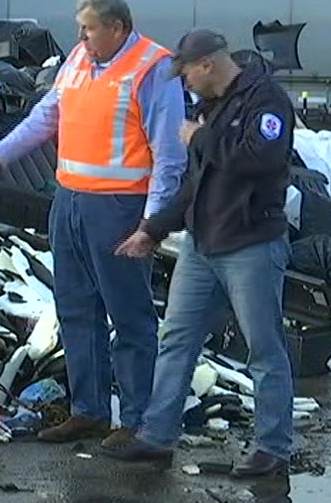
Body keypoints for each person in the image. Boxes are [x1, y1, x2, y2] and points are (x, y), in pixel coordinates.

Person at [0, 0, 187, 447]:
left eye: (89, 28)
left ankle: (136, 420)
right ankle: (89, 411)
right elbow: (45, 118)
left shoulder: (153, 68)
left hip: (120, 207)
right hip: (71, 203)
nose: (80, 36)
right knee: (77, 310)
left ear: (117, 27)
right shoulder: (79, 60)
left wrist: (151, 225)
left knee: (130, 315)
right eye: (80, 27)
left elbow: (170, 157)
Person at [103, 28, 295, 478]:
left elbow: (260, 159)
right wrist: (153, 229)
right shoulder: (211, 107)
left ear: (207, 64)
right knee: (176, 340)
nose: (183, 82)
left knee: (264, 350)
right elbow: (197, 184)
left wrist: (199, 139)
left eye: (186, 72)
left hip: (250, 244)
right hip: (201, 246)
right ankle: (156, 437)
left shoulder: (265, 100)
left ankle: (273, 448)